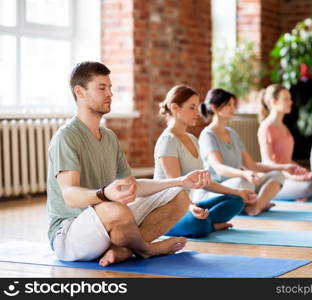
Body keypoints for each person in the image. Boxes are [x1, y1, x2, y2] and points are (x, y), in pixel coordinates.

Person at [47, 62, 206, 267]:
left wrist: (180, 181)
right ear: (80, 92)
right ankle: (147, 249)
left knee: (178, 195)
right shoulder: (67, 137)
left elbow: (132, 185)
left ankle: (122, 249)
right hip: (70, 234)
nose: (110, 93)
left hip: (109, 220)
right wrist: (105, 193)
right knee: (116, 210)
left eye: (110, 88)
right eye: (102, 88)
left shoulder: (109, 137)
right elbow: (70, 195)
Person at [154, 85, 256, 237]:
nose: (197, 112)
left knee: (236, 201)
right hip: (166, 209)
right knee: (197, 224)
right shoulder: (168, 140)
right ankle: (210, 225)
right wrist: (189, 206)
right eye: (192, 108)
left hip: (187, 206)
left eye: (197, 107)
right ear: (175, 108)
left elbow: (205, 181)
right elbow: (175, 186)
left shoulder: (192, 139)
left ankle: (207, 223)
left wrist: (238, 192)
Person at [199, 88, 304, 216]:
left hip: (240, 183)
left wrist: (284, 167)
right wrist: (244, 174)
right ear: (215, 108)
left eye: (234, 104)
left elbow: (252, 165)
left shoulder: (232, 134)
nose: (233, 108)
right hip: (218, 188)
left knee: (277, 174)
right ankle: (254, 204)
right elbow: (219, 168)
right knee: (244, 182)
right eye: (228, 105)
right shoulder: (207, 135)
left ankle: (256, 206)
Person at [258, 84, 312, 201]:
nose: (291, 102)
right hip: (275, 179)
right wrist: (294, 178)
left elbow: (287, 161)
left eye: (290, 99)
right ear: (274, 102)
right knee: (308, 187)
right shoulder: (266, 127)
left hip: (289, 176)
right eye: (286, 99)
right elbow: (267, 163)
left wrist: (307, 173)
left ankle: (299, 192)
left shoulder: (284, 127)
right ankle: (287, 192)